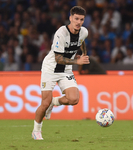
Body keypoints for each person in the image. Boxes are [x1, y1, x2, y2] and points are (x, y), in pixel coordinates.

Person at [32, 6, 90, 140]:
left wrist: (83, 55)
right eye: (76, 19)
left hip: (66, 69)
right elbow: (58, 58)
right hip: (50, 68)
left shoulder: (84, 32)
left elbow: (82, 42)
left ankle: (54, 101)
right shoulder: (61, 33)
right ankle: (36, 131)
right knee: (44, 103)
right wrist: (78, 62)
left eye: (81, 19)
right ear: (70, 18)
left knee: (74, 99)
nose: (78, 22)